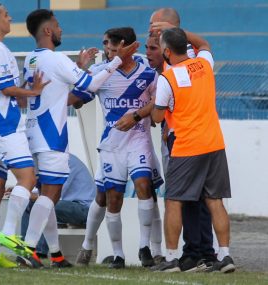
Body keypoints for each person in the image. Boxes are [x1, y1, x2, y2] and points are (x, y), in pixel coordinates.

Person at [20, 9, 137, 269]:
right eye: (58, 25)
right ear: (48, 30)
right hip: (52, 135)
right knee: (50, 194)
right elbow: (92, 85)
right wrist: (118, 61)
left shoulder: (31, 58)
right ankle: (28, 249)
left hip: (33, 132)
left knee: (49, 195)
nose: (62, 30)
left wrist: (80, 66)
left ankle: (56, 254)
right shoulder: (56, 58)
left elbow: (60, 85)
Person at [73, 27, 163, 269]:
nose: (109, 53)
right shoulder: (101, 73)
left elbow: (159, 100)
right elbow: (77, 100)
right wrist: (81, 73)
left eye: (113, 49)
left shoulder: (148, 72)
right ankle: (114, 253)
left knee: (144, 187)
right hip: (112, 145)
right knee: (108, 198)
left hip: (138, 139)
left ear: (127, 47)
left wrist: (141, 114)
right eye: (107, 48)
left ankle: (146, 248)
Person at [150, 28, 235, 273]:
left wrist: (165, 110)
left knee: (174, 200)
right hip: (214, 143)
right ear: (185, 45)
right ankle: (225, 256)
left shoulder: (168, 77)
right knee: (215, 200)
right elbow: (205, 43)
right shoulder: (204, 63)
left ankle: (172, 258)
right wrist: (182, 32)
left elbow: (157, 115)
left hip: (186, 145)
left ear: (166, 52)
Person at [0, 3, 49, 268]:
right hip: (2, 123)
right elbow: (5, 89)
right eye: (5, 15)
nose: (10, 18)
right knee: (28, 177)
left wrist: (22, 87)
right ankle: (9, 231)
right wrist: (33, 92)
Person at [20, 153, 96, 257]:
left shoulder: (64, 162)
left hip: (85, 211)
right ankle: (25, 249)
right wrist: (22, 190)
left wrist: (27, 193)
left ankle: (38, 251)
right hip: (70, 207)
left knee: (44, 205)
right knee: (31, 203)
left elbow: (54, 195)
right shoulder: (52, 160)